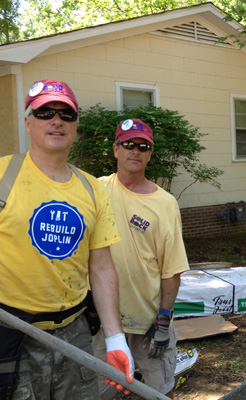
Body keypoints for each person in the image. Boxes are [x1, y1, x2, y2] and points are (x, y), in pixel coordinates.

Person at [0, 79, 134, 399]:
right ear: (28, 123)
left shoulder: (93, 190)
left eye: (66, 114)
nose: (56, 120)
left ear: (75, 126)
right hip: (7, 337)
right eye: (45, 112)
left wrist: (115, 338)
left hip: (75, 336)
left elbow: (102, 268)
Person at [97, 118, 190, 399]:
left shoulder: (164, 203)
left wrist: (163, 319)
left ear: (149, 153)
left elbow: (171, 269)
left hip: (147, 323)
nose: (134, 151)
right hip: (102, 319)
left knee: (160, 392)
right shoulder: (96, 190)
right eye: (127, 144)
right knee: (98, 393)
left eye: (142, 146)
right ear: (116, 149)